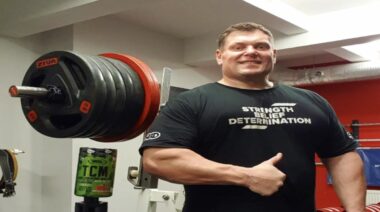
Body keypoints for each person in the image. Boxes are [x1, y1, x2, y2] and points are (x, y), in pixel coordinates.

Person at [139, 22, 366, 212]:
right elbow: (158, 159)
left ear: (273, 55)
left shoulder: (312, 101)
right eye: (239, 46)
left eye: (261, 46)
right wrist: (245, 176)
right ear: (220, 56)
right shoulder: (193, 101)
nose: (251, 51)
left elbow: (343, 156)